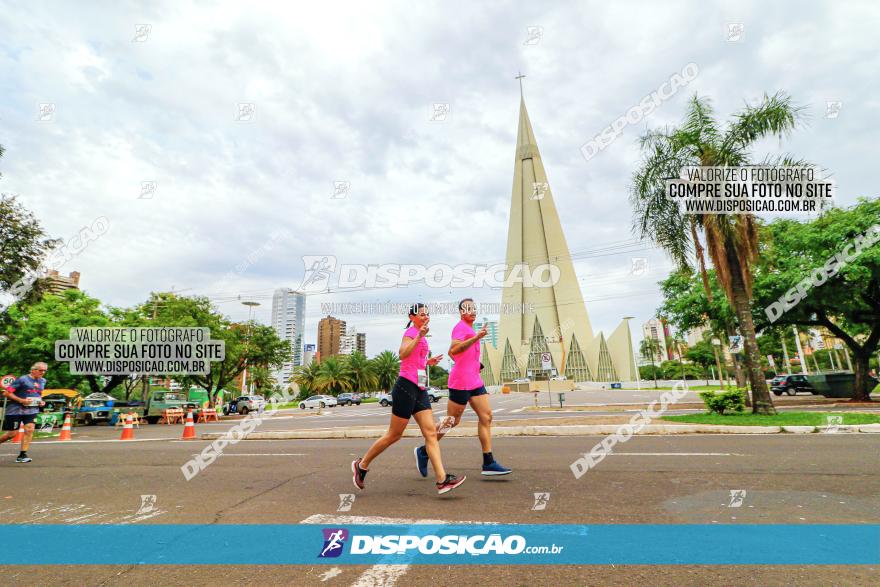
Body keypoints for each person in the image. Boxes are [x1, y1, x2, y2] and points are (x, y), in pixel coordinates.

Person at [352, 303, 466, 495]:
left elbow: (415, 361)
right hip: (405, 387)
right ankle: (361, 466)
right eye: (421, 313)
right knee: (394, 435)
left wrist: (427, 362)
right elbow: (403, 354)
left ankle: (442, 480)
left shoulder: (420, 335)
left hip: (419, 388)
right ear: (412, 316)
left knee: (430, 433)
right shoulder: (411, 333)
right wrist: (419, 335)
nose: (425, 316)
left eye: (427, 314)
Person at [414, 299, 511, 477]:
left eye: (474, 308)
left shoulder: (470, 329)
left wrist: (474, 364)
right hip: (460, 382)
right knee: (452, 421)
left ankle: (488, 462)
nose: (473, 311)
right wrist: (475, 339)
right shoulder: (460, 328)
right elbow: (454, 349)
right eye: (468, 309)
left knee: (486, 416)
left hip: (474, 380)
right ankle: (424, 451)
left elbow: (454, 354)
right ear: (461, 312)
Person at [0, 362, 48, 463]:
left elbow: (38, 394)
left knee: (29, 430)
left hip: (32, 410)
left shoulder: (43, 381)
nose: (42, 372)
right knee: (12, 434)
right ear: (33, 370)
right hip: (15, 411)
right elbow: (7, 393)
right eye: (40, 370)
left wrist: (41, 401)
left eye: (44, 371)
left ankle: (22, 455)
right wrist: (21, 400)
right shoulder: (22, 379)